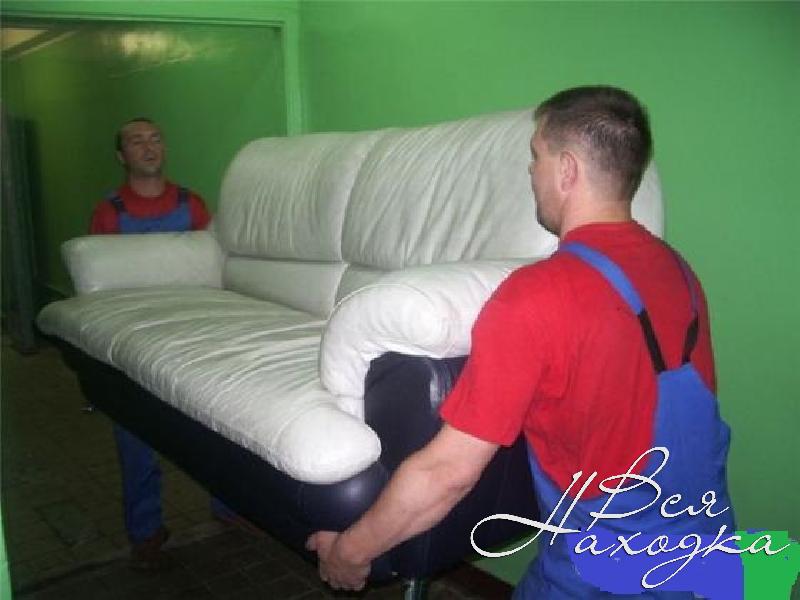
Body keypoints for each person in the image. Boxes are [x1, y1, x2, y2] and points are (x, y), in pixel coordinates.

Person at [306, 86, 734, 598]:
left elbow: (447, 473)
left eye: (536, 156)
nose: (532, 172)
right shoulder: (679, 271)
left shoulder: (533, 297)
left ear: (567, 169)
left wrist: (349, 552)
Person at [90, 118, 211, 569]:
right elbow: (98, 286)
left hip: (190, 334)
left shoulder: (191, 205)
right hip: (135, 338)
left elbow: (213, 270)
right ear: (121, 156)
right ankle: (146, 530)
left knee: (213, 426)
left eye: (155, 138)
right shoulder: (109, 213)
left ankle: (229, 507)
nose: (148, 147)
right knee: (135, 433)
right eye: (136, 141)